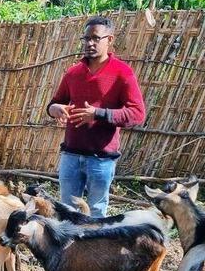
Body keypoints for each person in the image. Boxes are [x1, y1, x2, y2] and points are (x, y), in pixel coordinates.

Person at [47, 16, 146, 217]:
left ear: (109, 40)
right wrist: (55, 109)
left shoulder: (122, 73)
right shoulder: (73, 73)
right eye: (86, 38)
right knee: (67, 212)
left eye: (95, 38)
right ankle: (70, 249)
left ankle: (93, 248)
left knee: (96, 213)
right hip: (71, 155)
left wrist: (98, 114)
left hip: (101, 159)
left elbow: (137, 114)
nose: (89, 43)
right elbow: (54, 103)